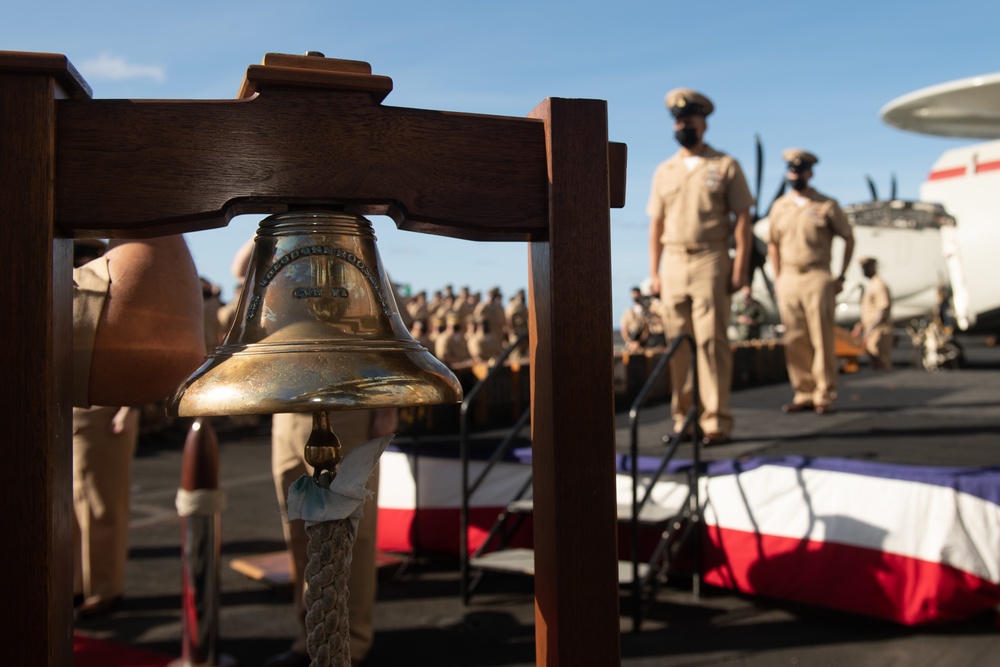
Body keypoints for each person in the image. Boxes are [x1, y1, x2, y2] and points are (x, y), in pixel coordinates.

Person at [72, 235, 206, 616]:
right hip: (76, 408)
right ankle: (75, 582)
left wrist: (125, 409)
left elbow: (160, 348)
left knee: (100, 503)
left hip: (102, 408)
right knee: (70, 504)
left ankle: (103, 588)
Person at [647, 88, 754, 446]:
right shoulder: (665, 170)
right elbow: (656, 225)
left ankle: (715, 421)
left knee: (711, 342)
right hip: (674, 259)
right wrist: (655, 271)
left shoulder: (725, 165)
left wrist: (740, 267)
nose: (681, 124)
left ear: (703, 123)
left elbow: (742, 219)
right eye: (677, 120)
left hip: (712, 257)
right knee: (678, 345)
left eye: (688, 119)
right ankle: (684, 419)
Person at [266, 408, 396, 667]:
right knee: (299, 532)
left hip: (344, 407)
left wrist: (387, 407)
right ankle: (310, 637)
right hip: (285, 405)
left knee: (348, 534)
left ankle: (349, 644)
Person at [768, 149, 855, 414]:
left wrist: (840, 275)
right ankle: (803, 391)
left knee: (821, 336)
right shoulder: (779, 207)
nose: (796, 175)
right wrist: (778, 276)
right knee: (794, 338)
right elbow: (773, 243)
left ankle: (824, 393)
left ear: (810, 173)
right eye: (792, 171)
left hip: (817, 275)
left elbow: (848, 237)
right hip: (789, 277)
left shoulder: (826, 204)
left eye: (801, 171)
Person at [852, 257, 894, 369]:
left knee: (882, 364)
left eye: (865, 267)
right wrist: (861, 324)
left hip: (879, 330)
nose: (863, 270)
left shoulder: (879, 285)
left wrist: (872, 326)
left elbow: (883, 309)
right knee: (875, 364)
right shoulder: (871, 284)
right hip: (871, 331)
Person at [620, 286, 650, 353]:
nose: (635, 296)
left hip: (642, 343)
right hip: (630, 342)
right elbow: (624, 329)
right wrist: (630, 342)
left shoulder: (645, 311)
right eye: (633, 294)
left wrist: (639, 342)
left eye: (636, 294)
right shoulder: (628, 312)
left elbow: (646, 329)